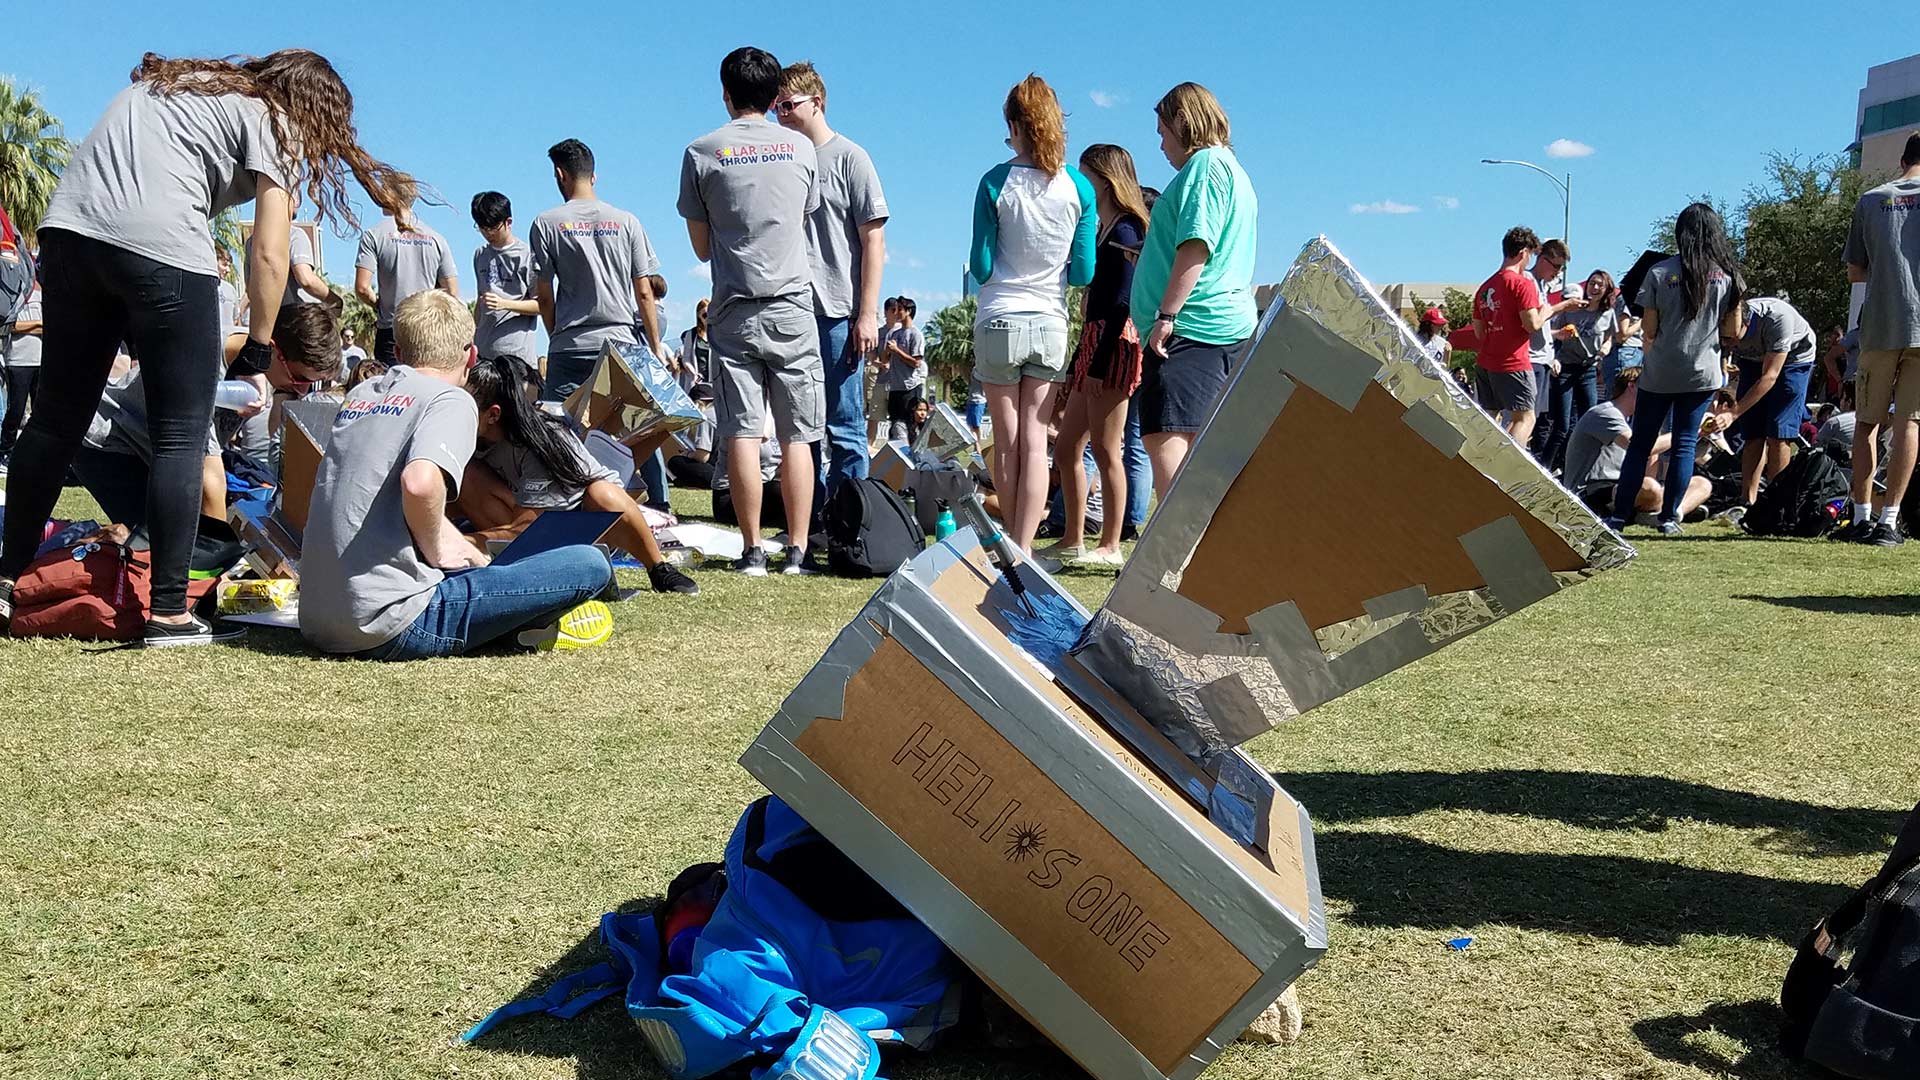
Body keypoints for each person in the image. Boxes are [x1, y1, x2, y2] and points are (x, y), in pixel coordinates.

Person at [0, 48, 416, 645]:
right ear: (314, 107)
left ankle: (6, 577)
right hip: (164, 250)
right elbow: (271, 251)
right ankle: (170, 612)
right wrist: (260, 343)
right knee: (181, 435)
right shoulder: (275, 118)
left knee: (55, 424)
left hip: (68, 234)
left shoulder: (178, 86)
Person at [301, 290, 616, 658]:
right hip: (392, 622)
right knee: (590, 563)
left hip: (317, 619)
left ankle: (511, 625)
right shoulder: (451, 399)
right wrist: (442, 550)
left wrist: (461, 548)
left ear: (399, 353)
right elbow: (419, 484)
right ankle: (522, 627)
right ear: (471, 354)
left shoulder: (362, 395)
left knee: (477, 563)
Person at [678, 46, 823, 576]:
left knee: (740, 429)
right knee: (798, 434)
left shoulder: (702, 151)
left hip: (733, 308)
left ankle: (752, 550)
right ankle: (799, 550)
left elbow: (699, 246)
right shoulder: (801, 149)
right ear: (773, 95)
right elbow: (803, 216)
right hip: (792, 306)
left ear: (725, 92)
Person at [78, 295, 344, 532]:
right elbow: (209, 478)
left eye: (313, 383)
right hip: (110, 443)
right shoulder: (202, 363)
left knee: (173, 542)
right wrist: (221, 564)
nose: (303, 389)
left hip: (153, 448)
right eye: (299, 378)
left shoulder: (256, 362)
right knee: (157, 544)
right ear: (272, 350)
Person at [970, 74, 1097, 554]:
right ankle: (1023, 546)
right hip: (1049, 321)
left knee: (1006, 443)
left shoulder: (994, 182)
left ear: (1013, 125)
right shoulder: (1079, 189)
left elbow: (981, 265)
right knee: (1037, 443)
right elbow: (1083, 271)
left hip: (1001, 314)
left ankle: (1008, 541)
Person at [457, 355, 699, 595]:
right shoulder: (473, 438)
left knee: (603, 494)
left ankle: (658, 567)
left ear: (493, 415)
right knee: (468, 475)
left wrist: (464, 541)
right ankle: (504, 564)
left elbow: (528, 527)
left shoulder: (539, 443)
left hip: (580, 523)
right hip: (525, 517)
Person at [1131, 81, 1256, 502]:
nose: (1162, 144)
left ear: (1183, 121)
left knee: (1169, 448)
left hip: (1191, 330)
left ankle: (1178, 565)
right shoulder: (1234, 172)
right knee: (1194, 456)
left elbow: (1196, 244)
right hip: (1219, 329)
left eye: (1163, 131)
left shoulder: (1204, 167)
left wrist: (1165, 317)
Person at [775, 60, 887, 501]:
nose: (780, 114)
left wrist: (868, 313)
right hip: (792, 309)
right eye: (775, 107)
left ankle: (852, 521)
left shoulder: (850, 158)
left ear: (816, 103)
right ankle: (814, 518)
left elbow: (873, 240)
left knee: (845, 424)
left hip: (839, 313)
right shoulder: (784, 160)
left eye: (788, 104)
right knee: (802, 427)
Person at [1042, 143, 1149, 569]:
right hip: (1093, 340)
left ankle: (1111, 542)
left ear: (1104, 178)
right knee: (1068, 447)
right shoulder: (1104, 230)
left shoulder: (1126, 231)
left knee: (1108, 449)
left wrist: (1099, 364)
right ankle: (1073, 537)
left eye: (1085, 173)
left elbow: (1122, 302)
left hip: (1114, 345)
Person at [1610, 202, 1745, 536]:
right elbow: (1732, 331)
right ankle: (1670, 518)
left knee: (1642, 443)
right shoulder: (1728, 276)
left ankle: (1618, 516)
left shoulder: (1659, 272)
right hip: (1703, 372)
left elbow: (1650, 329)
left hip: (1661, 371)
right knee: (1685, 443)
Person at [531, 138, 667, 402]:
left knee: (562, 434)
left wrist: (558, 336)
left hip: (570, 347)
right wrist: (655, 346)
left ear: (560, 175)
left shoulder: (546, 223)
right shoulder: (627, 222)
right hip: (619, 346)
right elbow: (644, 293)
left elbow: (545, 298)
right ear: (593, 177)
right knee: (622, 436)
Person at [1838, 131, 1920, 547]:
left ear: (1903, 159)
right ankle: (1890, 521)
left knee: (1867, 421)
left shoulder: (1871, 199)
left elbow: (1856, 271)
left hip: (1879, 326)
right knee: (1909, 422)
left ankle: (1860, 516)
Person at [1565, 367, 1711, 522]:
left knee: (1702, 484)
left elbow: (1650, 460)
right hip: (1593, 490)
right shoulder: (1605, 413)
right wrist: (1690, 431)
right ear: (1631, 385)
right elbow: (1644, 448)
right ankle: (1660, 511)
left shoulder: (1634, 419)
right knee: (1649, 487)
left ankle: (1670, 514)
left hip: (1627, 484)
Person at [1722, 295, 1816, 507]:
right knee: (1752, 432)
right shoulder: (1723, 324)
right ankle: (1747, 502)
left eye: (1732, 339)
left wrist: (1733, 413)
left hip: (1794, 358)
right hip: (1753, 360)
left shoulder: (1776, 318)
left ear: (1746, 323)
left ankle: (1778, 503)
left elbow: (1770, 376)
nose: (1729, 344)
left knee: (1778, 432)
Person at [355, 187, 458, 366]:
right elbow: (451, 292)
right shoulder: (436, 238)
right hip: (426, 328)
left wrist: (378, 304)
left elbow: (362, 288)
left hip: (392, 329)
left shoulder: (374, 234)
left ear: (391, 195)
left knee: (393, 390)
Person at [1472, 227, 1547, 442]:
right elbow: (1532, 324)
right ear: (1524, 252)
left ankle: (1482, 463)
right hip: (1513, 362)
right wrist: (1547, 312)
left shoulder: (1485, 287)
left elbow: (1479, 332)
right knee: (1524, 418)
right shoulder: (1522, 284)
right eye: (1530, 256)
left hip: (1486, 362)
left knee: (1490, 417)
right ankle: (1507, 471)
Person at [1542, 270, 1619, 470]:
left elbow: (1611, 338)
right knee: (1562, 426)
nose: (1594, 288)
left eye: (1599, 285)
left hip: (1589, 370)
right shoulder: (1572, 308)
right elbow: (1548, 333)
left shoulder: (1608, 314)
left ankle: (1576, 467)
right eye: (1592, 283)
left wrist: (1605, 349)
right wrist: (1554, 358)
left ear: (1606, 289)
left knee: (1590, 420)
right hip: (1564, 367)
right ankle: (1544, 467)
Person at [470, 191, 540, 366]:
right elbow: (480, 302)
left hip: (516, 356)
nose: (487, 233)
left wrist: (505, 304)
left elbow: (541, 305)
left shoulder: (528, 257)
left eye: (492, 228)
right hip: (483, 354)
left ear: (508, 222)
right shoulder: (480, 255)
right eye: (481, 228)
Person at [0, 281, 40, 469]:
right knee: (16, 410)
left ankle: (33, 453)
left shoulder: (42, 294)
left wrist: (31, 325)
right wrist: (38, 323)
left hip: (39, 359)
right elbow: (10, 325)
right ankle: (6, 451)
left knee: (40, 413)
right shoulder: (11, 296)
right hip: (18, 359)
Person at [882, 298, 925, 442]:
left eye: (900, 309)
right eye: (895, 309)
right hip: (895, 387)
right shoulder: (893, 334)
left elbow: (916, 363)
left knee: (910, 425)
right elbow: (885, 360)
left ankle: (914, 458)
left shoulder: (915, 334)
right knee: (895, 424)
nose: (897, 312)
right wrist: (888, 351)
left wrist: (897, 350)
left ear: (909, 311)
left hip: (910, 387)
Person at [678, 298, 713, 393]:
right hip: (695, 381)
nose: (707, 318)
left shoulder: (717, 334)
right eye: (704, 315)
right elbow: (686, 358)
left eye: (710, 314)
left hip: (713, 382)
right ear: (699, 316)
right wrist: (694, 374)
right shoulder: (691, 334)